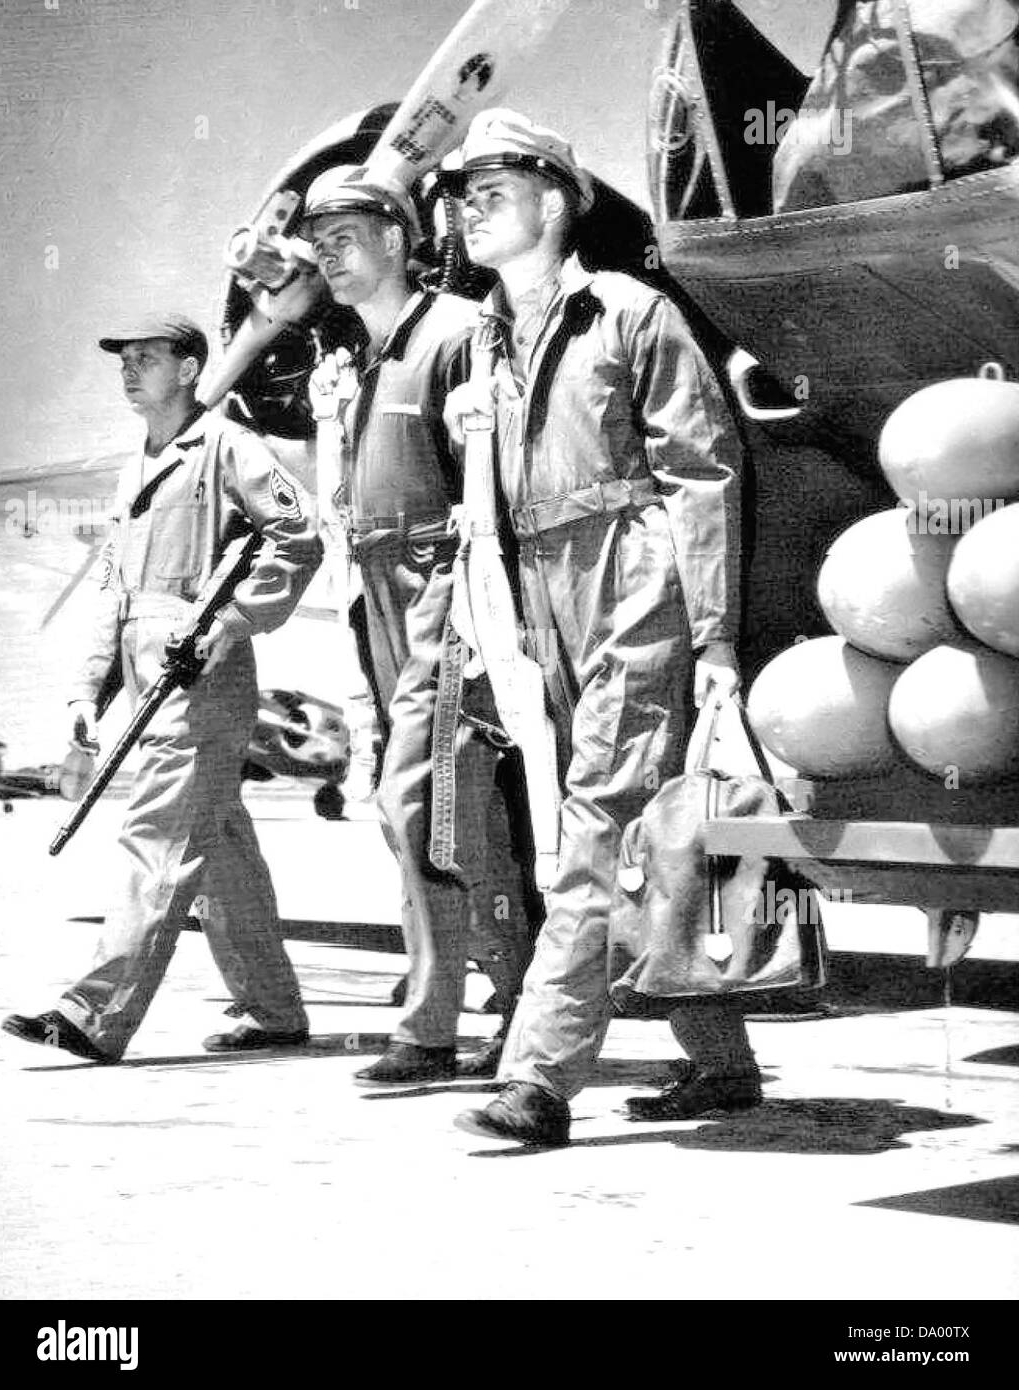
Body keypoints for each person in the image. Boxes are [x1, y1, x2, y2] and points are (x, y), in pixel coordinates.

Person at [443, 111, 762, 1146]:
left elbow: (704, 476)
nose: (469, 211)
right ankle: (722, 1062)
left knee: (594, 822)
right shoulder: (486, 339)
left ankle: (540, 1076)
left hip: (631, 574)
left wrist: (712, 637)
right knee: (630, 823)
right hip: (536, 591)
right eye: (462, 196)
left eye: (492, 191)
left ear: (554, 198)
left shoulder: (630, 312)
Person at [2, 314, 322, 1063]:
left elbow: (298, 533)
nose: (129, 370)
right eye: (124, 360)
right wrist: (88, 690)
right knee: (219, 847)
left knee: (157, 836)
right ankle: (274, 1012)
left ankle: (93, 1012)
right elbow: (115, 585)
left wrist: (233, 622)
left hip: (202, 671)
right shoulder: (137, 465)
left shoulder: (230, 446)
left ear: (188, 369)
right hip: (147, 669)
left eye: (147, 357)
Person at [301, 165, 534, 1084]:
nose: (328, 256)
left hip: (446, 580)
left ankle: (468, 1017)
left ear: (398, 238)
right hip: (374, 588)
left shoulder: (458, 334)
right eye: (320, 245)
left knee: (422, 800)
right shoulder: (355, 359)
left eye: (346, 236)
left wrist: (485, 607)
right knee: (436, 813)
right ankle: (486, 1011)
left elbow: (498, 478)